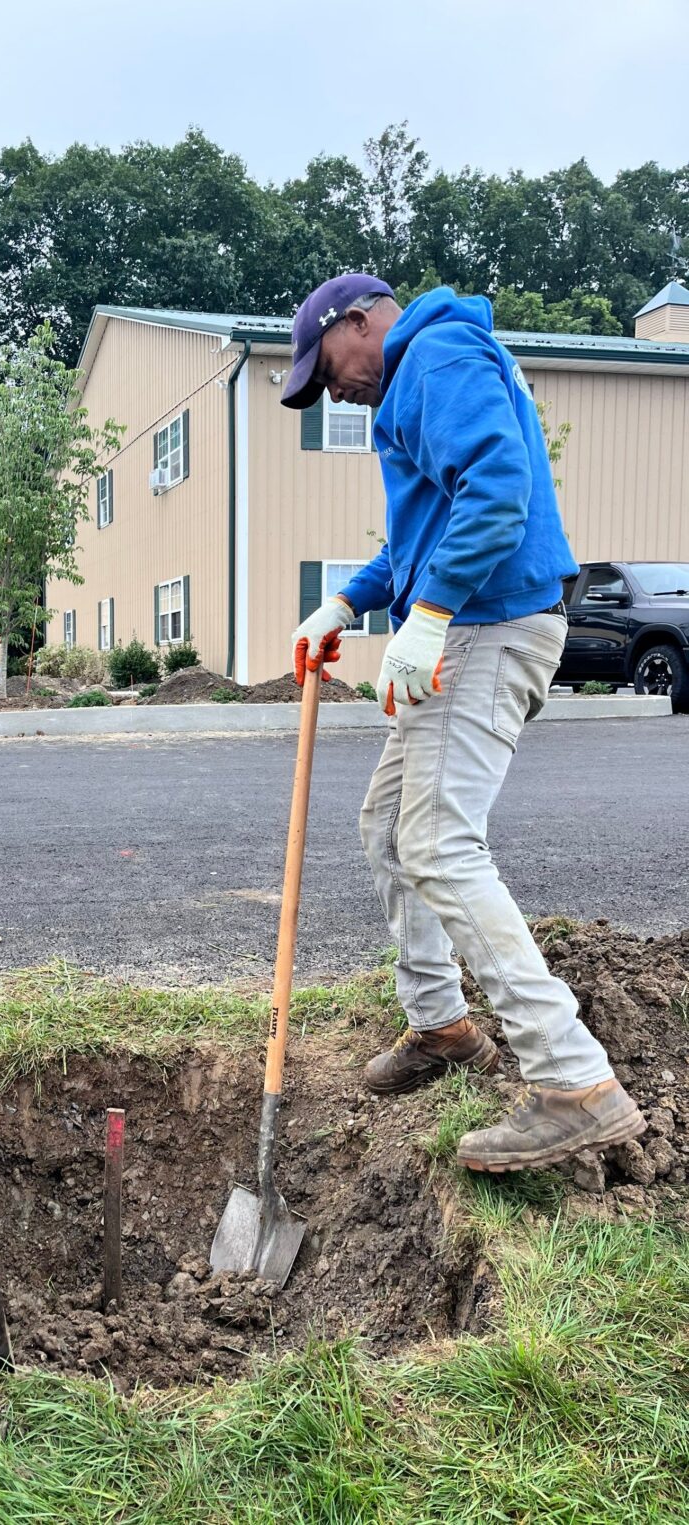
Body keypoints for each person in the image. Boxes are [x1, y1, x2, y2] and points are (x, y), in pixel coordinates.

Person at [283, 273, 645, 1174]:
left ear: (359, 323)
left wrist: (433, 614)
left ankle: (574, 1081)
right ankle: (441, 1024)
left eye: (324, 369)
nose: (330, 391)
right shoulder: (412, 380)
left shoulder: (436, 355)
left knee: (440, 841)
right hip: (469, 621)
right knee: (389, 826)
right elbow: (420, 537)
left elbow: (497, 488)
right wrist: (347, 603)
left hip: (490, 626)